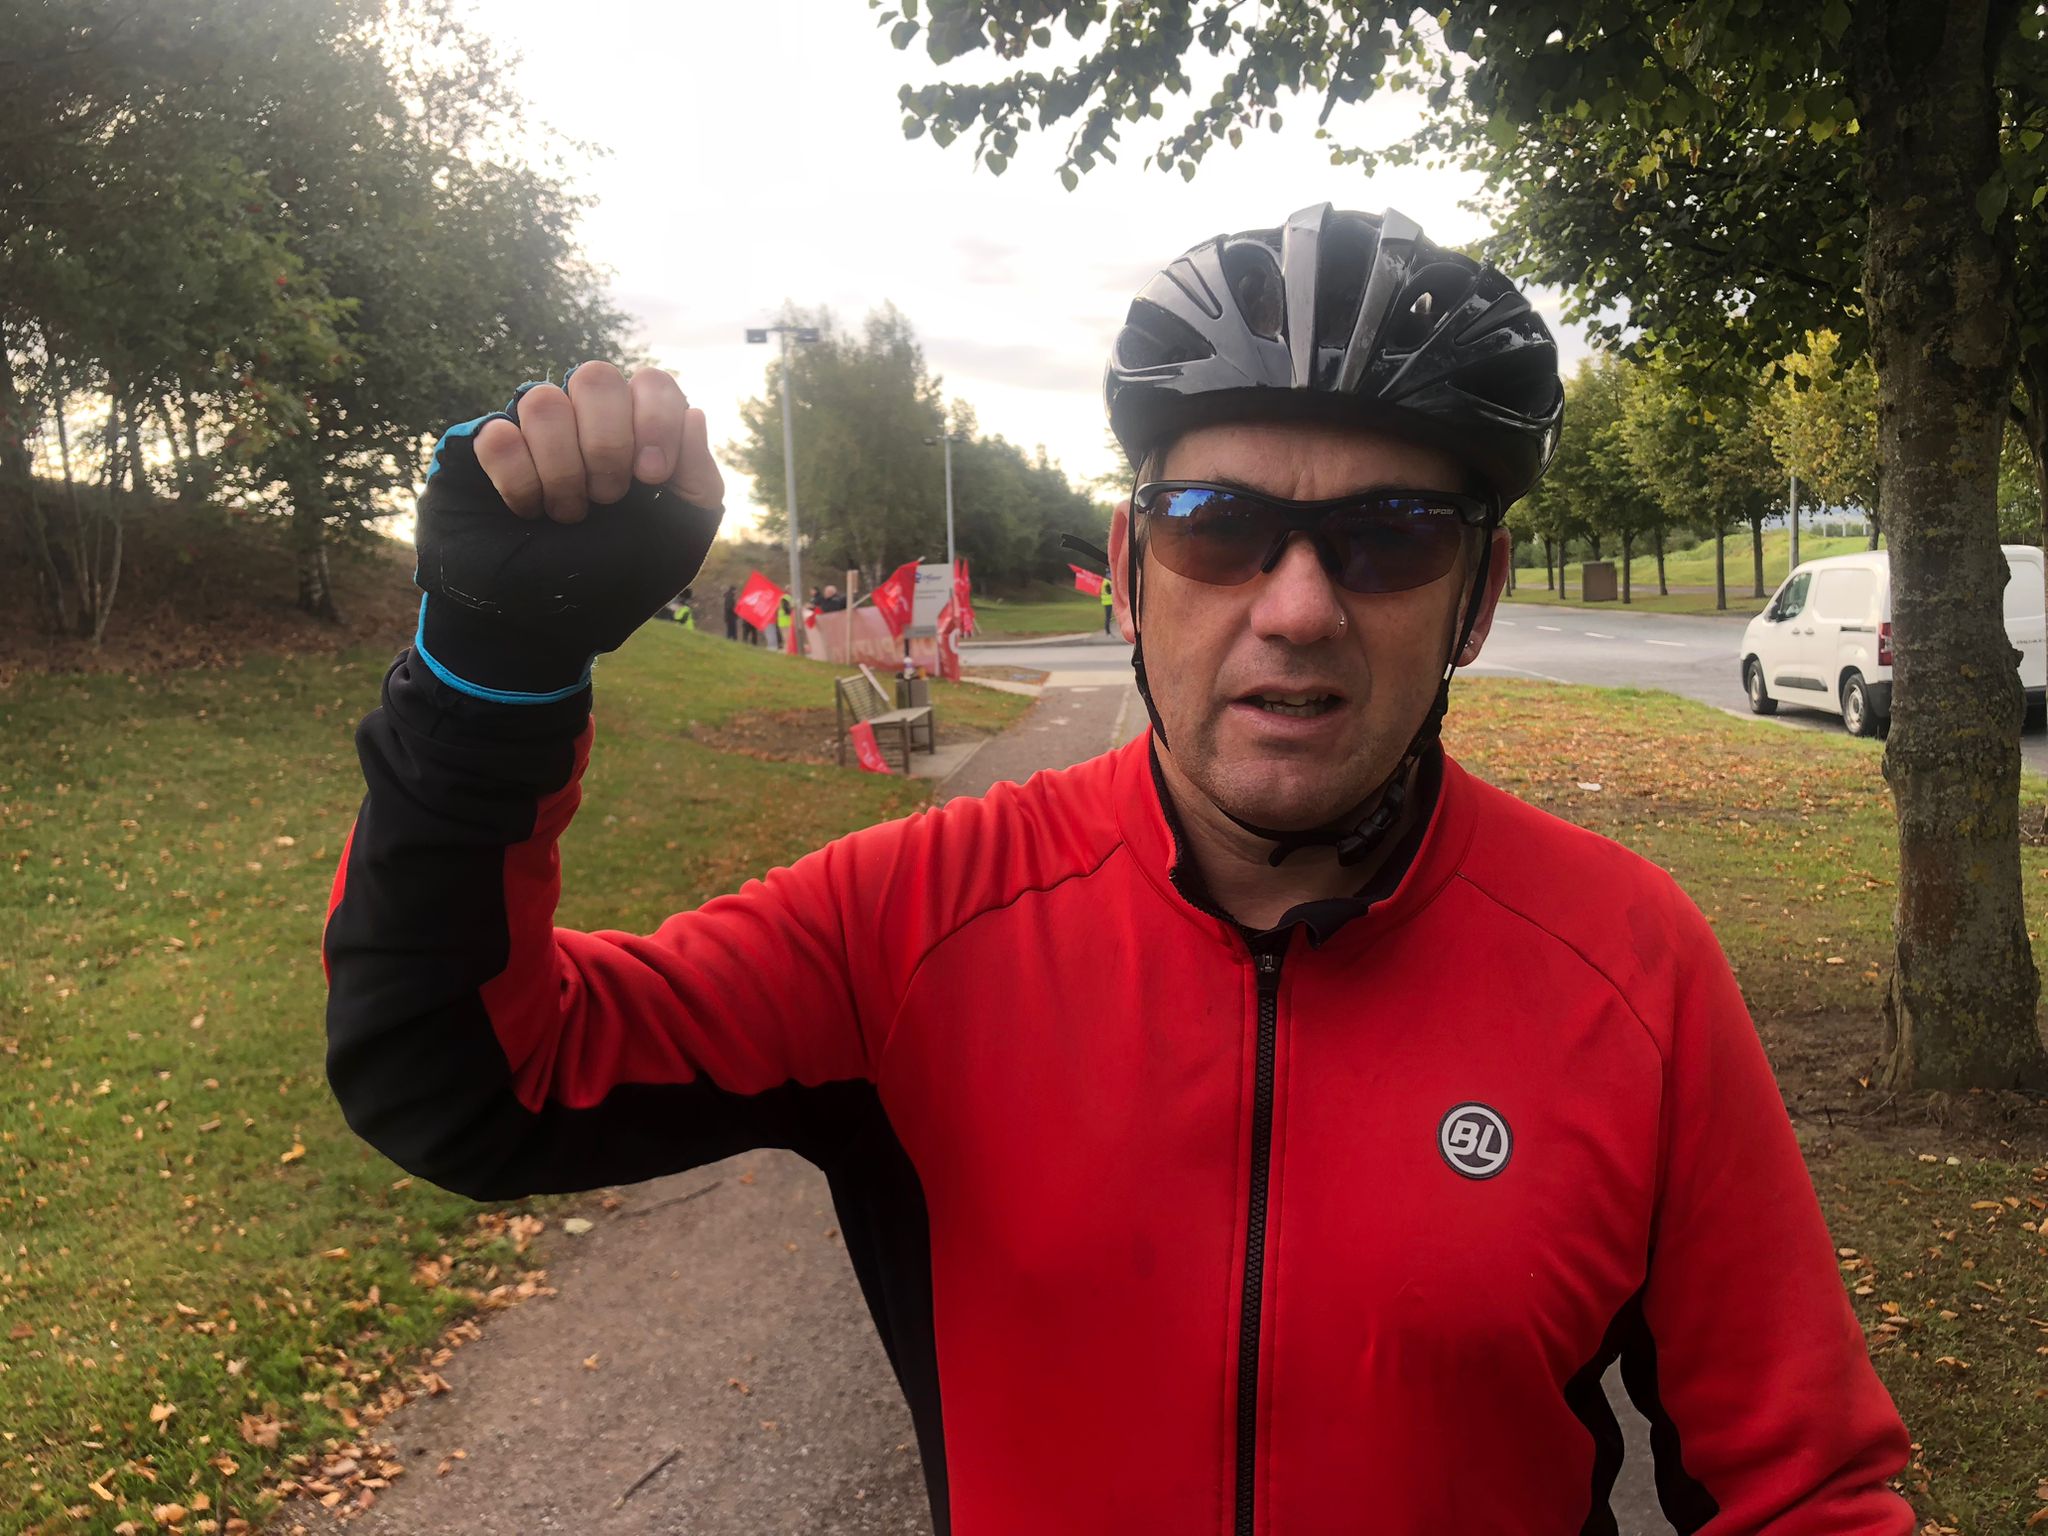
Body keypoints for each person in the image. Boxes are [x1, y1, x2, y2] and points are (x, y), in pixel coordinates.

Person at [326, 205, 1911, 1534]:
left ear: (1479, 595)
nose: (1295, 606)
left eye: (1390, 535)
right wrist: (493, 677)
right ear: (1136, 564)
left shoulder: (1626, 964)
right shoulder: (917, 924)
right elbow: (469, 1079)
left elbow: (1807, 1491)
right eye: (1221, 527)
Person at [1099, 570, 1114, 635]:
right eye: (1110, 574)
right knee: (1108, 617)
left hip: (1107, 602)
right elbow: (1109, 592)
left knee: (1108, 617)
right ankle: (1108, 631)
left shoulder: (1105, 581)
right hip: (1108, 602)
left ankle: (1108, 631)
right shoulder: (1107, 582)